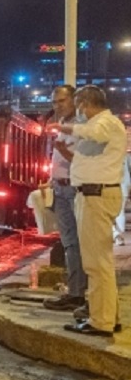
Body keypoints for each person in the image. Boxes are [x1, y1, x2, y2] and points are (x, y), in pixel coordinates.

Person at [50, 86, 127, 337]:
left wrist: (66, 128)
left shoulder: (107, 123)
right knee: (98, 262)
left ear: (85, 103)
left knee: (96, 263)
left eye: (78, 105)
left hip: (96, 195)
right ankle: (106, 315)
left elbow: (95, 133)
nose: (78, 111)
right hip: (90, 194)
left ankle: (101, 321)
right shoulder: (103, 125)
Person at [40, 86, 87, 312]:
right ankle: (75, 290)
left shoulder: (80, 126)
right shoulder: (63, 127)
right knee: (69, 243)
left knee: (76, 244)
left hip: (73, 190)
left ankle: (78, 293)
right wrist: (51, 181)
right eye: (54, 102)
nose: (57, 106)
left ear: (74, 100)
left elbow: (82, 161)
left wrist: (62, 150)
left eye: (61, 101)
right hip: (60, 189)